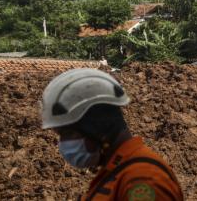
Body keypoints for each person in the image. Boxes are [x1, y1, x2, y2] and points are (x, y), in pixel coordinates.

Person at [41, 69, 183, 201]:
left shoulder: (143, 179)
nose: (62, 144)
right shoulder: (116, 171)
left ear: (96, 127)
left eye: (67, 133)